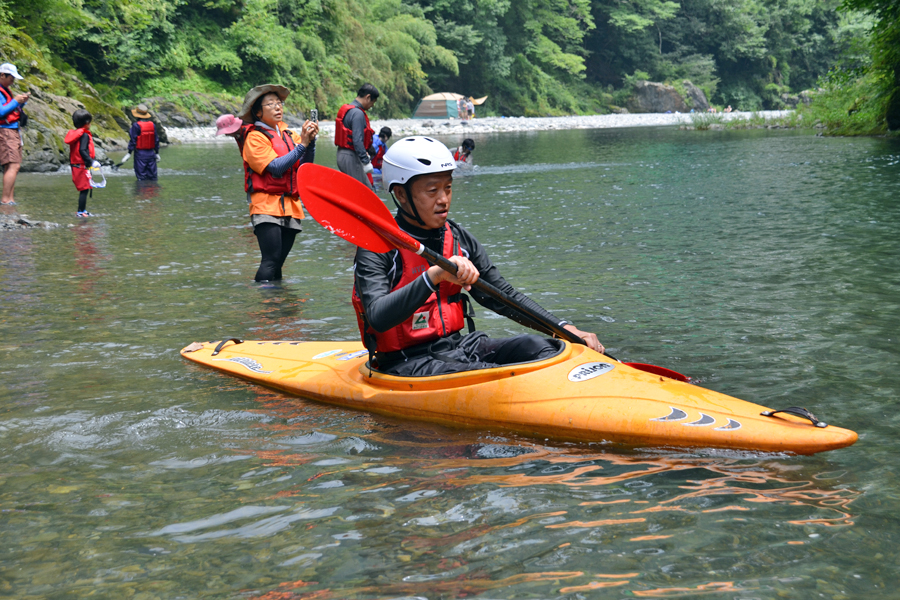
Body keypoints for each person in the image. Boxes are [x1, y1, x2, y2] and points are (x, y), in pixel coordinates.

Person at [352, 136, 603, 376]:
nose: (443, 200)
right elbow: (378, 317)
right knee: (493, 375)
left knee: (543, 347)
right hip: (406, 362)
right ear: (402, 194)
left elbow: (504, 296)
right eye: (432, 191)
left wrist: (564, 329)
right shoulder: (377, 246)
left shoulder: (458, 238)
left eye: (448, 188)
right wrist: (434, 275)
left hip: (459, 347)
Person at [238, 84, 319, 282]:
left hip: (290, 206)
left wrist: (311, 142)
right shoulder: (255, 137)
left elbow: (304, 167)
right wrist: (303, 146)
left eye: (279, 103)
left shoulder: (290, 135)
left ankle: (278, 302)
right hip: (265, 206)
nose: (277, 107)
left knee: (278, 262)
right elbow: (275, 167)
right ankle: (266, 303)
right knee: (270, 260)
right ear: (258, 112)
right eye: (270, 104)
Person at [334, 83, 378, 189]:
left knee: (353, 189)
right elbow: (357, 140)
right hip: (350, 156)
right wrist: (366, 161)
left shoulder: (350, 110)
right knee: (365, 190)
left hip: (343, 154)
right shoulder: (358, 113)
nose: (372, 105)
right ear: (368, 97)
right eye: (373, 102)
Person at [0, 62, 29, 206]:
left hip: (12, 130)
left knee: (11, 165)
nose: (13, 81)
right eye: (11, 77)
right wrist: (15, 101)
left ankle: (10, 199)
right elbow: (0, 112)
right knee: (13, 165)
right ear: (2, 75)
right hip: (5, 131)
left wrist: (21, 103)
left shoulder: (5, 89)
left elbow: (11, 109)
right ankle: (6, 199)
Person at [64, 109, 101, 217]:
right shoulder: (84, 135)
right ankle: (81, 211)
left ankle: (82, 210)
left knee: (84, 189)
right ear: (86, 123)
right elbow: (82, 150)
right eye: (89, 122)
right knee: (84, 190)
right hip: (81, 166)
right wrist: (91, 161)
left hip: (76, 166)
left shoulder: (76, 134)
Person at [122, 104, 160, 181]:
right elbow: (156, 140)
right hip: (151, 154)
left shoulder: (136, 126)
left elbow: (133, 140)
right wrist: (157, 153)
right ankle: (154, 192)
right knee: (153, 177)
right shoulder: (152, 125)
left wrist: (129, 153)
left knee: (141, 178)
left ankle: (141, 192)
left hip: (140, 155)